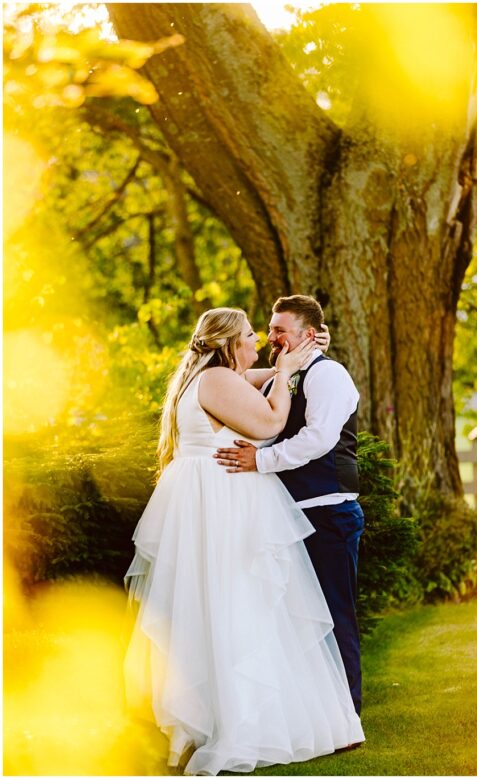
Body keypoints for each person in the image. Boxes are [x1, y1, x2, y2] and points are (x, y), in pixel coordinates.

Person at [124, 307, 364, 776]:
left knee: (225, 607)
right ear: (231, 343)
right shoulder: (217, 381)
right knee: (238, 606)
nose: (261, 343)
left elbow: (265, 373)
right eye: (253, 336)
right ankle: (241, 721)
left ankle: (218, 715)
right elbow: (271, 425)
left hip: (208, 499)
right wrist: (290, 368)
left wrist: (297, 356)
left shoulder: (210, 375)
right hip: (221, 502)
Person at [213, 295, 364, 714]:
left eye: (280, 330)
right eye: (270, 327)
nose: (270, 336)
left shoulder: (328, 376)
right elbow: (234, 381)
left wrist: (260, 460)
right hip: (285, 514)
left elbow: (318, 440)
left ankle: (345, 711)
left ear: (307, 334)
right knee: (292, 618)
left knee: (334, 614)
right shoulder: (280, 376)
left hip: (327, 511)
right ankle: (306, 711)